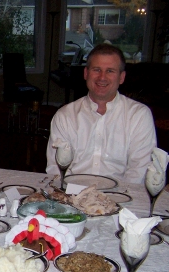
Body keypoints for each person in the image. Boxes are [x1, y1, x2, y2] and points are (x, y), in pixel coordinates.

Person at [46, 43, 156, 184]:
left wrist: (116, 200)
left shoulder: (139, 116)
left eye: (110, 71)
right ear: (86, 73)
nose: (102, 77)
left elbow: (139, 170)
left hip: (120, 197)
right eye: (96, 70)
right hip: (71, 196)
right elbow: (55, 169)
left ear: (121, 77)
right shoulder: (65, 115)